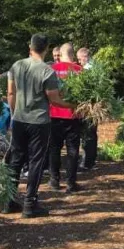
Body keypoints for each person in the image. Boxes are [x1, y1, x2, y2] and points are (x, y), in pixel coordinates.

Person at [6, 34, 75, 218]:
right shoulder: (47, 71)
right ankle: (30, 204)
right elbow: (55, 100)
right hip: (39, 122)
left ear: (30, 47)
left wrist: (14, 113)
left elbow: (10, 93)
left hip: (19, 119)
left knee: (16, 160)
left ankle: (8, 200)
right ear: (46, 48)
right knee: (36, 161)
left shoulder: (16, 66)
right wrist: (73, 105)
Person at [48, 43, 83, 192]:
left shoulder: (51, 70)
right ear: (73, 55)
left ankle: (54, 180)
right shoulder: (80, 71)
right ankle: (71, 182)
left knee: (54, 149)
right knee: (73, 150)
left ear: (60, 55)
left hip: (53, 115)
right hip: (74, 115)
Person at [77, 47, 98, 170]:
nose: (79, 62)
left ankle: (87, 162)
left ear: (85, 57)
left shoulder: (87, 70)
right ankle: (91, 160)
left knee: (88, 133)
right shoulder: (97, 67)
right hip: (94, 106)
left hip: (88, 107)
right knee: (92, 133)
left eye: (80, 59)